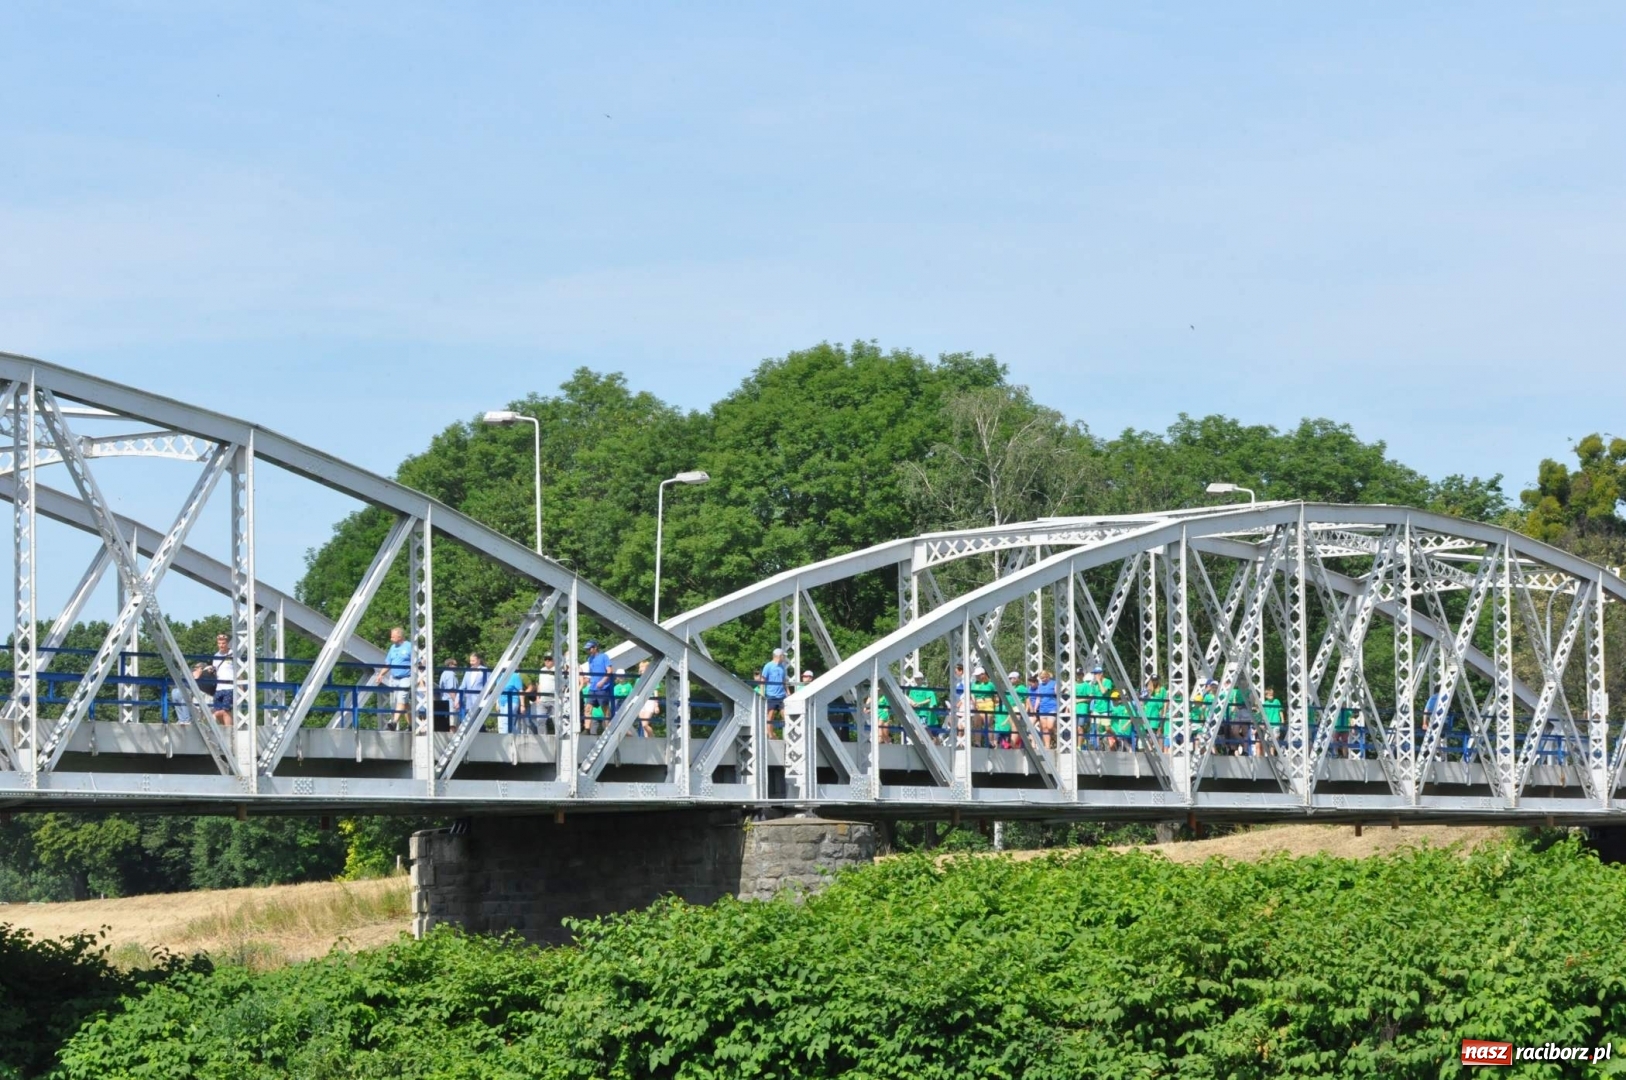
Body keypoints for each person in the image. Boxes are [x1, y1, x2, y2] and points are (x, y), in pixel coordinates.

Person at [375, 627, 413, 731]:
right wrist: (381, 674)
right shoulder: (392, 648)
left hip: (406, 677)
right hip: (395, 679)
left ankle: (394, 723)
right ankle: (411, 725)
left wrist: (421, 677)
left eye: (393, 636)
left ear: (399, 636)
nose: (391, 638)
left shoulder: (409, 646)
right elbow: (388, 663)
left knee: (401, 699)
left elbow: (418, 662)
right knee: (404, 703)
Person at [581, 640, 612, 735]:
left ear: (595, 648)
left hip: (602, 688)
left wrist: (602, 681)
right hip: (593, 688)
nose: (588, 651)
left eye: (590, 648)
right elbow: (592, 673)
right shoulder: (589, 659)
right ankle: (587, 731)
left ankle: (608, 730)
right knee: (587, 708)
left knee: (605, 709)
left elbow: (609, 671)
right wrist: (588, 680)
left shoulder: (604, 657)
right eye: (587, 649)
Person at [760, 647, 789, 737]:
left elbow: (784, 681)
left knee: (786, 715)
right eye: (783, 656)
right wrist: (762, 693)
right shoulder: (768, 666)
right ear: (779, 656)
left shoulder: (782, 667)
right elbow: (763, 680)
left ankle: (788, 735)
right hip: (771, 695)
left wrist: (788, 692)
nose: (784, 658)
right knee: (771, 715)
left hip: (781, 695)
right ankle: (770, 734)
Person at [458, 652, 489, 728]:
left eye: (473, 661)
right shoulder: (468, 671)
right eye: (470, 661)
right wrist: (457, 699)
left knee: (478, 722)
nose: (471, 663)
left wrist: (487, 698)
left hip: (479, 700)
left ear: (478, 660)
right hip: (469, 701)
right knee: (470, 723)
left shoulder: (485, 671)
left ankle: (482, 734)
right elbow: (463, 686)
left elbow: (489, 685)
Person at [210, 633, 235, 726]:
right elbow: (215, 670)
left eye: (223, 643)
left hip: (230, 686)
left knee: (225, 710)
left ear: (227, 643)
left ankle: (229, 729)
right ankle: (225, 727)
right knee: (218, 710)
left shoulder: (232, 653)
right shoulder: (216, 655)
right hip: (219, 687)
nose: (221, 645)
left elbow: (239, 670)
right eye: (219, 643)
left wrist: (240, 686)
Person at [1031, 669, 1058, 750]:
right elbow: (1038, 698)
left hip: (1052, 707)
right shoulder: (1040, 686)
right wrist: (1035, 708)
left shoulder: (1054, 683)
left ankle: (1056, 733)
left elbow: (1058, 694)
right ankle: (1047, 746)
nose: (1043, 679)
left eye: (1044, 677)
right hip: (1043, 708)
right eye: (1041, 678)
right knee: (1044, 728)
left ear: (1048, 676)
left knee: (1050, 726)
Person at [636, 659, 663, 738]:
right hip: (641, 702)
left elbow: (655, 692)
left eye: (643, 668)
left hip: (649, 701)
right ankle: (646, 743)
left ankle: (652, 740)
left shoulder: (652, 678)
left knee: (645, 724)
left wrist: (656, 705)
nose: (641, 670)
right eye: (641, 668)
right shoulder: (638, 680)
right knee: (643, 725)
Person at [1142, 676, 1168, 748]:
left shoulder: (1162, 689)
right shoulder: (1147, 689)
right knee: (1147, 731)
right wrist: (1149, 691)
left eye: (1156, 680)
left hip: (1157, 712)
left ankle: (1157, 749)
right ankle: (1149, 747)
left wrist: (1164, 712)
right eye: (1153, 680)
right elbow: (1142, 701)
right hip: (1148, 712)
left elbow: (1165, 702)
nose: (1154, 682)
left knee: (1157, 731)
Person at [535, 656, 558, 734]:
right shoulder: (542, 670)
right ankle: (543, 737)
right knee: (540, 720)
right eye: (545, 659)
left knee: (557, 721)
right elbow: (540, 684)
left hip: (555, 699)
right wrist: (537, 697)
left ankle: (560, 738)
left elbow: (563, 685)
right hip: (543, 699)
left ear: (553, 660)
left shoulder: (558, 670)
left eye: (549, 659)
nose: (547, 661)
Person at [436, 658, 460, 731]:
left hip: (445, 701)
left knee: (449, 724)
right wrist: (456, 701)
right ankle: (453, 741)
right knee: (452, 725)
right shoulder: (450, 674)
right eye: (455, 665)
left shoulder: (444, 673)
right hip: (451, 702)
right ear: (450, 665)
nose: (457, 666)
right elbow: (451, 689)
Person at [1261, 686, 1284, 753]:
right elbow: (1264, 714)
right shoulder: (1265, 703)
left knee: (1276, 735)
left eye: (1272, 694)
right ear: (1266, 696)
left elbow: (1280, 710)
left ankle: (1280, 750)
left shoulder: (1276, 701)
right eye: (1269, 695)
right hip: (1269, 724)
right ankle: (1273, 754)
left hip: (1276, 722)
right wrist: (1263, 722)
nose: (1271, 696)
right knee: (1269, 741)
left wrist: (1282, 719)